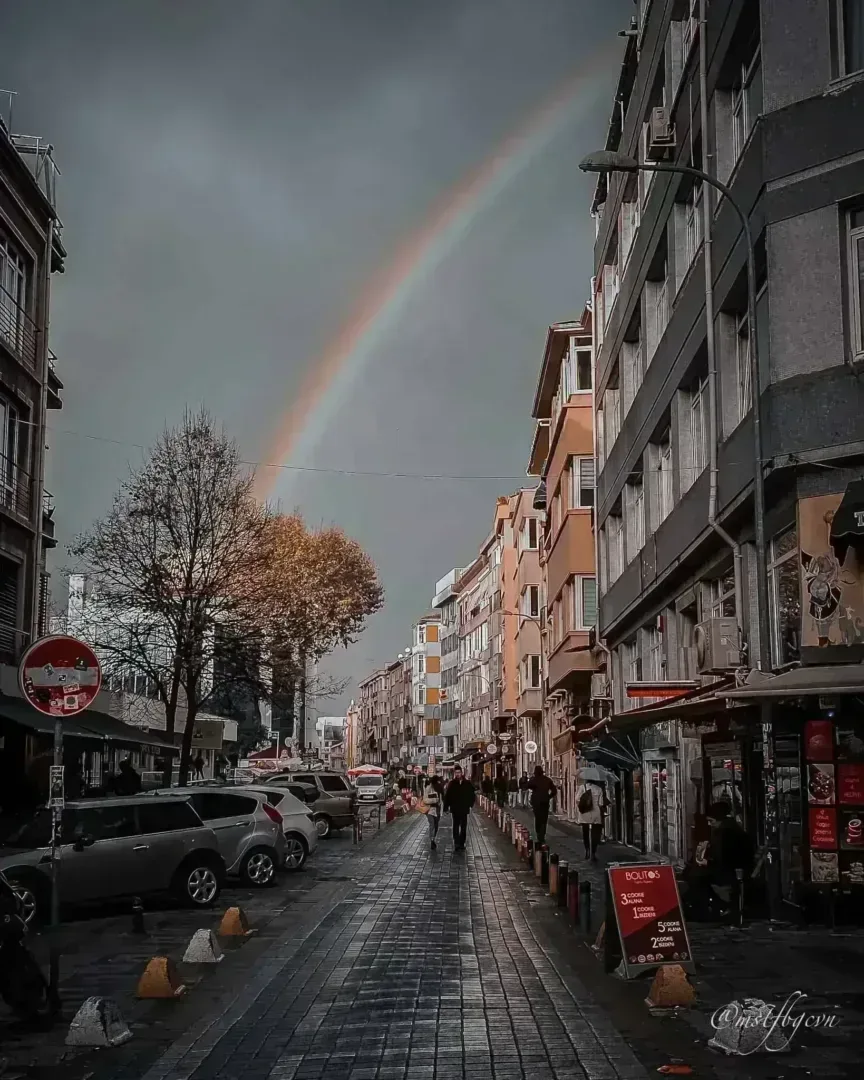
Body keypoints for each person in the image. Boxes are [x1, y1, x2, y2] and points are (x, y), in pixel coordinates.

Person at [687, 801, 754, 919]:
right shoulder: (728, 829)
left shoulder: (727, 832)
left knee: (695, 877)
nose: (710, 824)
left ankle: (718, 906)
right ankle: (710, 906)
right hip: (732, 868)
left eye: (711, 821)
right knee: (693, 873)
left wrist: (707, 861)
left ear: (720, 819)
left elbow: (726, 859)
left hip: (733, 871)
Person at [444, 765, 476, 851]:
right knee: (455, 826)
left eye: (459, 772)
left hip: (464, 808)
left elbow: (472, 795)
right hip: (455, 808)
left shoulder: (467, 783)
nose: (457, 774)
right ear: (454, 773)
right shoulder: (452, 783)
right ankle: (457, 843)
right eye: (456, 773)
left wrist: (470, 805)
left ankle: (462, 843)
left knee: (463, 827)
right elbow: (448, 796)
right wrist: (446, 807)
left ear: (462, 773)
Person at [575, 776, 605, 861]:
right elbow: (601, 803)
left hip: (585, 813)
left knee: (585, 832)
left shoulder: (582, 787)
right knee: (595, 834)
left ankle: (587, 850)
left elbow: (577, 799)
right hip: (596, 813)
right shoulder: (599, 789)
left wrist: (582, 806)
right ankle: (593, 853)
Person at [528, 765, 557, 846]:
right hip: (545, 801)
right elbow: (554, 790)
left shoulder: (533, 779)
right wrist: (549, 796)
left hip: (536, 802)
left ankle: (538, 834)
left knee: (538, 818)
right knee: (544, 819)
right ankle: (542, 836)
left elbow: (528, 786)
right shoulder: (547, 780)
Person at [423, 772, 444, 850]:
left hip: (437, 810)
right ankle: (432, 840)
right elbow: (425, 800)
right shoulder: (428, 788)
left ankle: (433, 838)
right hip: (430, 810)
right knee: (432, 824)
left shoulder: (440, 788)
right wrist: (434, 800)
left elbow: (442, 800)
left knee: (436, 825)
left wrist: (443, 808)